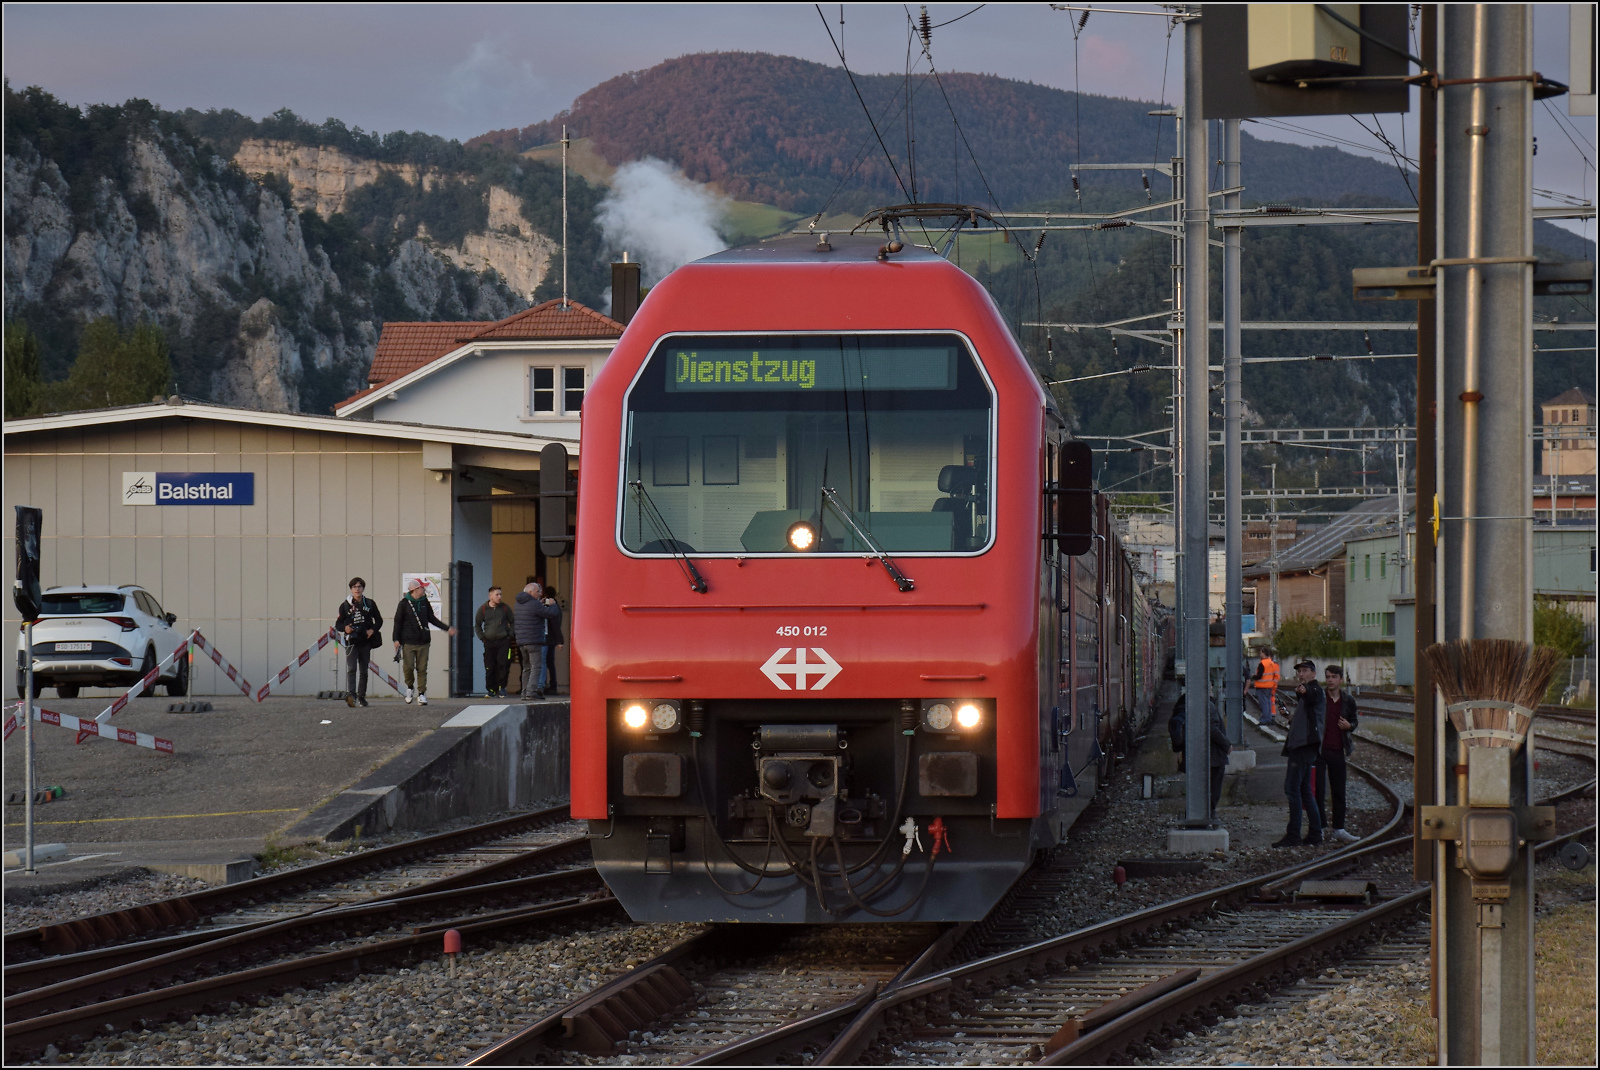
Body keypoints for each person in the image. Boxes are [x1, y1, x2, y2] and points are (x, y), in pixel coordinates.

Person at [1274, 659, 1325, 847]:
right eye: (1299, 671)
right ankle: (1315, 833)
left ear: (1313, 673)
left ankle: (1294, 834)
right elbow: (1304, 718)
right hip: (1303, 746)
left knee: (1292, 788)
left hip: (1304, 747)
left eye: (1305, 671)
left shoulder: (1315, 690)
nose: (1301, 674)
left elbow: (1312, 693)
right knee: (1304, 790)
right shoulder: (1306, 696)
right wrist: (1288, 716)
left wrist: (1304, 691)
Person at [393, 578, 457, 705]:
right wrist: (396, 639)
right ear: (415, 589)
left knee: (422, 668)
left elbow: (432, 619)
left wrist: (447, 628)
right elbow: (397, 622)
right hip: (408, 642)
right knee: (408, 667)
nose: (424, 589)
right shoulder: (404, 604)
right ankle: (410, 687)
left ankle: (421, 693)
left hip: (424, 641)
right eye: (422, 587)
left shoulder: (424, 602)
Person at [1316, 665, 1361, 844]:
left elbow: (1355, 720)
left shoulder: (1348, 700)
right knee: (1318, 791)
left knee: (1339, 791)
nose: (1330, 680)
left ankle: (1339, 828)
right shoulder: (1320, 698)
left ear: (1340, 679)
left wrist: (1349, 726)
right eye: (1327, 677)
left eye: (1334, 677)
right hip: (1319, 750)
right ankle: (1318, 827)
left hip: (1338, 750)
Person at [335, 577, 382, 708]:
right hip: (351, 641)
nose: (357, 589)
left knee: (364, 670)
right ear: (351, 589)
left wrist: (372, 630)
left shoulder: (370, 604)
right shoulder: (345, 605)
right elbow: (338, 624)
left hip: (365, 641)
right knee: (351, 669)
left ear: (363, 588)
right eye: (354, 587)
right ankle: (352, 696)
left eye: (359, 586)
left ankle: (362, 696)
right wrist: (345, 628)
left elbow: (379, 620)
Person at [514, 580, 560, 700]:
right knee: (536, 666)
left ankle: (524, 692)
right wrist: (553, 604)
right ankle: (532, 692)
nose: (540, 593)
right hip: (534, 640)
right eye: (537, 591)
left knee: (526, 667)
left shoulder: (518, 604)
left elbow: (533, 611)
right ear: (530, 592)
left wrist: (539, 603)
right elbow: (551, 614)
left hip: (521, 641)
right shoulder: (534, 604)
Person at [474, 585, 515, 698]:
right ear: (490, 596)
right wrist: (482, 638)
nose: (499, 597)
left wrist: (510, 635)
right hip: (489, 642)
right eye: (497, 594)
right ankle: (491, 689)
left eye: (500, 594)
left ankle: (502, 688)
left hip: (503, 641)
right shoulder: (483, 609)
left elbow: (513, 622)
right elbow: (477, 625)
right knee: (490, 666)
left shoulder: (505, 608)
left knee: (503, 664)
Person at [540, 585, 565, 696]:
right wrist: (559, 639)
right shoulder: (557, 607)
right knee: (550, 663)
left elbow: (552, 622)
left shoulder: (549, 607)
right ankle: (553, 685)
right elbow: (557, 624)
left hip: (546, 638)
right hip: (553, 638)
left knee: (543, 661)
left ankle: (542, 684)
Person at [1250, 647, 1280, 725]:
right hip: (1269, 686)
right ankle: (1269, 718)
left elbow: (1259, 676)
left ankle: (1264, 719)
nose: (1260, 654)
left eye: (1260, 653)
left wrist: (1253, 676)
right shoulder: (1272, 663)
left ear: (1264, 653)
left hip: (1261, 686)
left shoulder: (1262, 663)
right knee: (1268, 703)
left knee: (1264, 704)